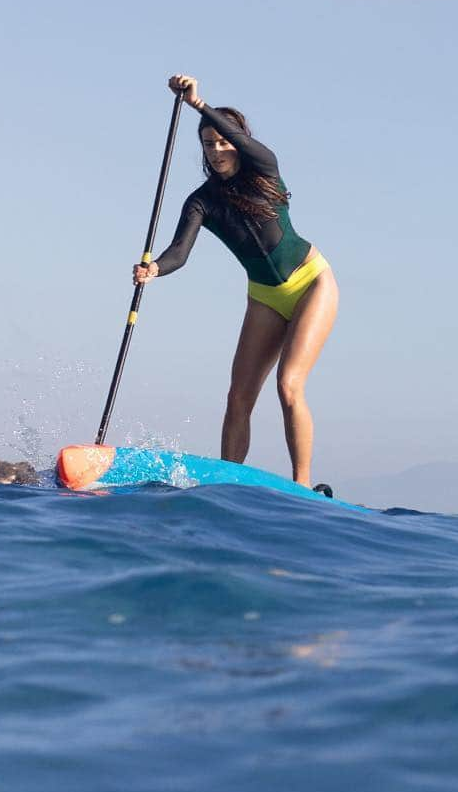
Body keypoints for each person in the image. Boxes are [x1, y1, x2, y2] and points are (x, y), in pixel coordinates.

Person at [133, 74, 339, 491]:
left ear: (238, 141)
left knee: (289, 385)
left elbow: (244, 143)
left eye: (223, 141)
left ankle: (302, 486)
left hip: (311, 283)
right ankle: (228, 485)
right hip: (263, 296)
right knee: (238, 397)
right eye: (208, 144)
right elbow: (179, 252)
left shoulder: (265, 168)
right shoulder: (202, 201)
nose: (216, 149)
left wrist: (198, 105)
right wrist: (154, 268)